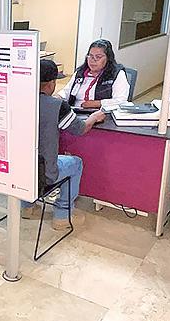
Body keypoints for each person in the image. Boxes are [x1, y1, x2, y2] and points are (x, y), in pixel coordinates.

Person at [24, 60, 106, 230]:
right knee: (75, 163)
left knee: (29, 163)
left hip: (18, 172)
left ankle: (27, 207)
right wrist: (94, 117)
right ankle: (62, 215)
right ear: (51, 84)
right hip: (43, 174)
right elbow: (80, 129)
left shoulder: (17, 100)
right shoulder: (57, 106)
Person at [58, 39, 130, 111]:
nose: (93, 60)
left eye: (98, 57)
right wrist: (58, 97)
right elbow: (66, 92)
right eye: (91, 56)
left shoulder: (117, 74)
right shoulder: (80, 73)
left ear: (108, 58)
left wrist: (98, 103)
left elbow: (121, 101)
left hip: (101, 113)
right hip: (75, 111)